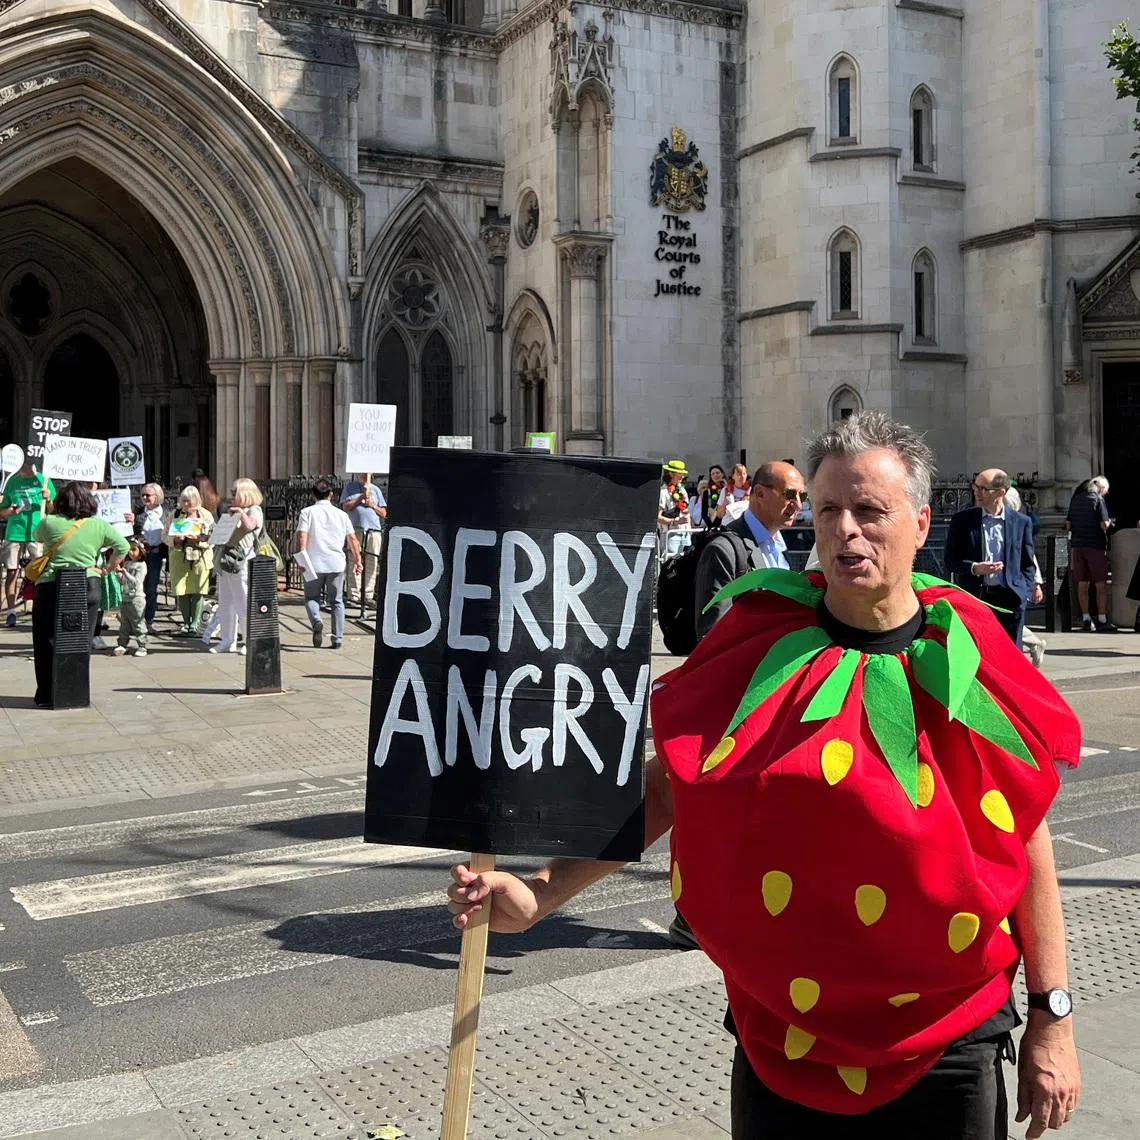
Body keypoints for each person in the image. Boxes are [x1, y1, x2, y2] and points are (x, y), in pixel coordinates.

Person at [447, 412, 1082, 1140]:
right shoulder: (760, 640)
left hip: (948, 1040)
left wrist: (1052, 1018)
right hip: (785, 1036)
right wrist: (539, 894)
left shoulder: (971, 652)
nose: (847, 530)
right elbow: (665, 790)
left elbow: (1025, 835)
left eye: (870, 511)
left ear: (920, 521)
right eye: (830, 509)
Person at [31, 481, 129, 707]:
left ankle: (46, 694)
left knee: (45, 641)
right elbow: (122, 546)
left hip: (51, 586)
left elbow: (37, 537)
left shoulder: (50, 522)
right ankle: (75, 691)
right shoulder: (98, 525)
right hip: (87, 584)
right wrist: (109, 567)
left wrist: (47, 508)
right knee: (80, 641)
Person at [695, 461, 806, 641]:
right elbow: (713, 638)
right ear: (760, 493)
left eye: (804, 496)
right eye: (791, 494)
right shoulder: (723, 549)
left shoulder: (780, 546)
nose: (798, 504)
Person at [944, 468, 1038, 648]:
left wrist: (1023, 592)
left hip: (1010, 599)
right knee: (979, 655)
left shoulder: (1021, 522)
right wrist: (975, 568)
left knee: (1011, 658)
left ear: (1001, 492)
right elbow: (950, 561)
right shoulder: (963, 521)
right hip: (977, 597)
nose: (976, 492)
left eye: (983, 489)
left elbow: (1027, 563)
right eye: (975, 487)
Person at [296, 479, 361, 649]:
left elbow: (302, 536)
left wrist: (301, 558)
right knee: (337, 601)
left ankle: (316, 620)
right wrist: (358, 560)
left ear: (312, 495)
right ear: (331, 495)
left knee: (311, 597)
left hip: (313, 563)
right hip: (336, 563)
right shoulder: (341, 515)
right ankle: (337, 638)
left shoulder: (307, 512)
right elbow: (352, 539)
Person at [207, 478, 264, 655]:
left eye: (234, 492)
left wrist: (241, 513)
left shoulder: (254, 510)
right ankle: (227, 640)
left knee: (243, 602)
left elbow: (250, 526)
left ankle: (249, 640)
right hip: (226, 558)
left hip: (242, 559)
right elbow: (219, 535)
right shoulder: (230, 511)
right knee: (226, 601)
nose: (231, 496)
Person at [0, 461, 55, 628]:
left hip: (36, 533)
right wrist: (11, 511)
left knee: (40, 572)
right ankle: (11, 612)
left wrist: (48, 499)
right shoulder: (12, 481)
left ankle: (39, 608)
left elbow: (53, 509)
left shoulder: (44, 480)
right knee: (11, 572)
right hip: (14, 533)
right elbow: (2, 511)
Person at [1065, 475, 1114, 632]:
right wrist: (1111, 522)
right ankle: (1102, 619)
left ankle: (1085, 618)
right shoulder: (1098, 500)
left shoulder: (1076, 500)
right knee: (1100, 584)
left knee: (1082, 583)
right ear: (1101, 489)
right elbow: (1104, 524)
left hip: (1078, 546)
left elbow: (1068, 525)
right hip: (1095, 546)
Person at [1005, 487, 1047, 669]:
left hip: (1015, 583)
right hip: (995, 583)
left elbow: (1029, 557)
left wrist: (1036, 583)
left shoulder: (1018, 523)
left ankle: (1033, 643)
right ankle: (1034, 643)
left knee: (1009, 623)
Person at [164, 485, 214, 636]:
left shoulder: (205, 515)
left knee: (198, 590)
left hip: (200, 558)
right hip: (180, 556)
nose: (185, 505)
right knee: (182, 590)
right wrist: (174, 539)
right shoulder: (176, 514)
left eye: (188, 501)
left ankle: (195, 624)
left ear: (196, 500)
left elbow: (213, 537)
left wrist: (200, 540)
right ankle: (186, 623)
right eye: (183, 501)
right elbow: (164, 534)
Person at [340, 474, 386, 608]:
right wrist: (360, 498)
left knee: (372, 561)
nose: (364, 475)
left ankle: (368, 595)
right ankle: (354, 595)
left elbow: (384, 513)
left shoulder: (375, 490)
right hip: (356, 530)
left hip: (373, 530)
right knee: (354, 559)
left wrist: (373, 506)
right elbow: (346, 506)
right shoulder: (350, 487)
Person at [136, 482, 167, 632]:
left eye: (148, 495)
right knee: (137, 588)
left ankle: (149, 620)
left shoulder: (166, 514)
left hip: (155, 555)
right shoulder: (139, 512)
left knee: (151, 588)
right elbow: (134, 532)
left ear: (157, 496)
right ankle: (136, 620)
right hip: (140, 555)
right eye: (143, 495)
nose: (145, 498)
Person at [113, 539, 148, 657]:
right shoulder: (127, 564)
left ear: (141, 552)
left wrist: (125, 573)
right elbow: (123, 581)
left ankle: (142, 645)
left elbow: (136, 583)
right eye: (130, 550)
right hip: (125, 597)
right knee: (124, 623)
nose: (130, 553)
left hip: (136, 598)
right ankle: (122, 644)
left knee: (138, 622)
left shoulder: (141, 566)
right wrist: (118, 573)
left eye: (134, 550)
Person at [658, 460, 691, 559]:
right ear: (671, 474)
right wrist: (674, 522)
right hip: (671, 535)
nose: (682, 476)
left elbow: (686, 511)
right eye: (679, 473)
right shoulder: (663, 492)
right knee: (669, 564)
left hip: (685, 533)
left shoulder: (682, 490)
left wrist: (689, 529)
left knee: (686, 562)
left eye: (683, 474)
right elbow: (658, 517)